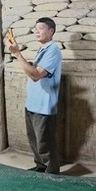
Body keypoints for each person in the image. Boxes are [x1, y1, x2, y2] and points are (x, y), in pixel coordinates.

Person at [6, 17, 62, 174]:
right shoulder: (42, 49)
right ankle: (40, 168)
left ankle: (52, 175)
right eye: (35, 28)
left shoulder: (53, 50)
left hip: (44, 106)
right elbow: (35, 70)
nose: (36, 31)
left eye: (41, 28)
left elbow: (36, 75)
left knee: (45, 144)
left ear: (51, 31)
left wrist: (17, 53)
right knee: (35, 143)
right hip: (32, 104)